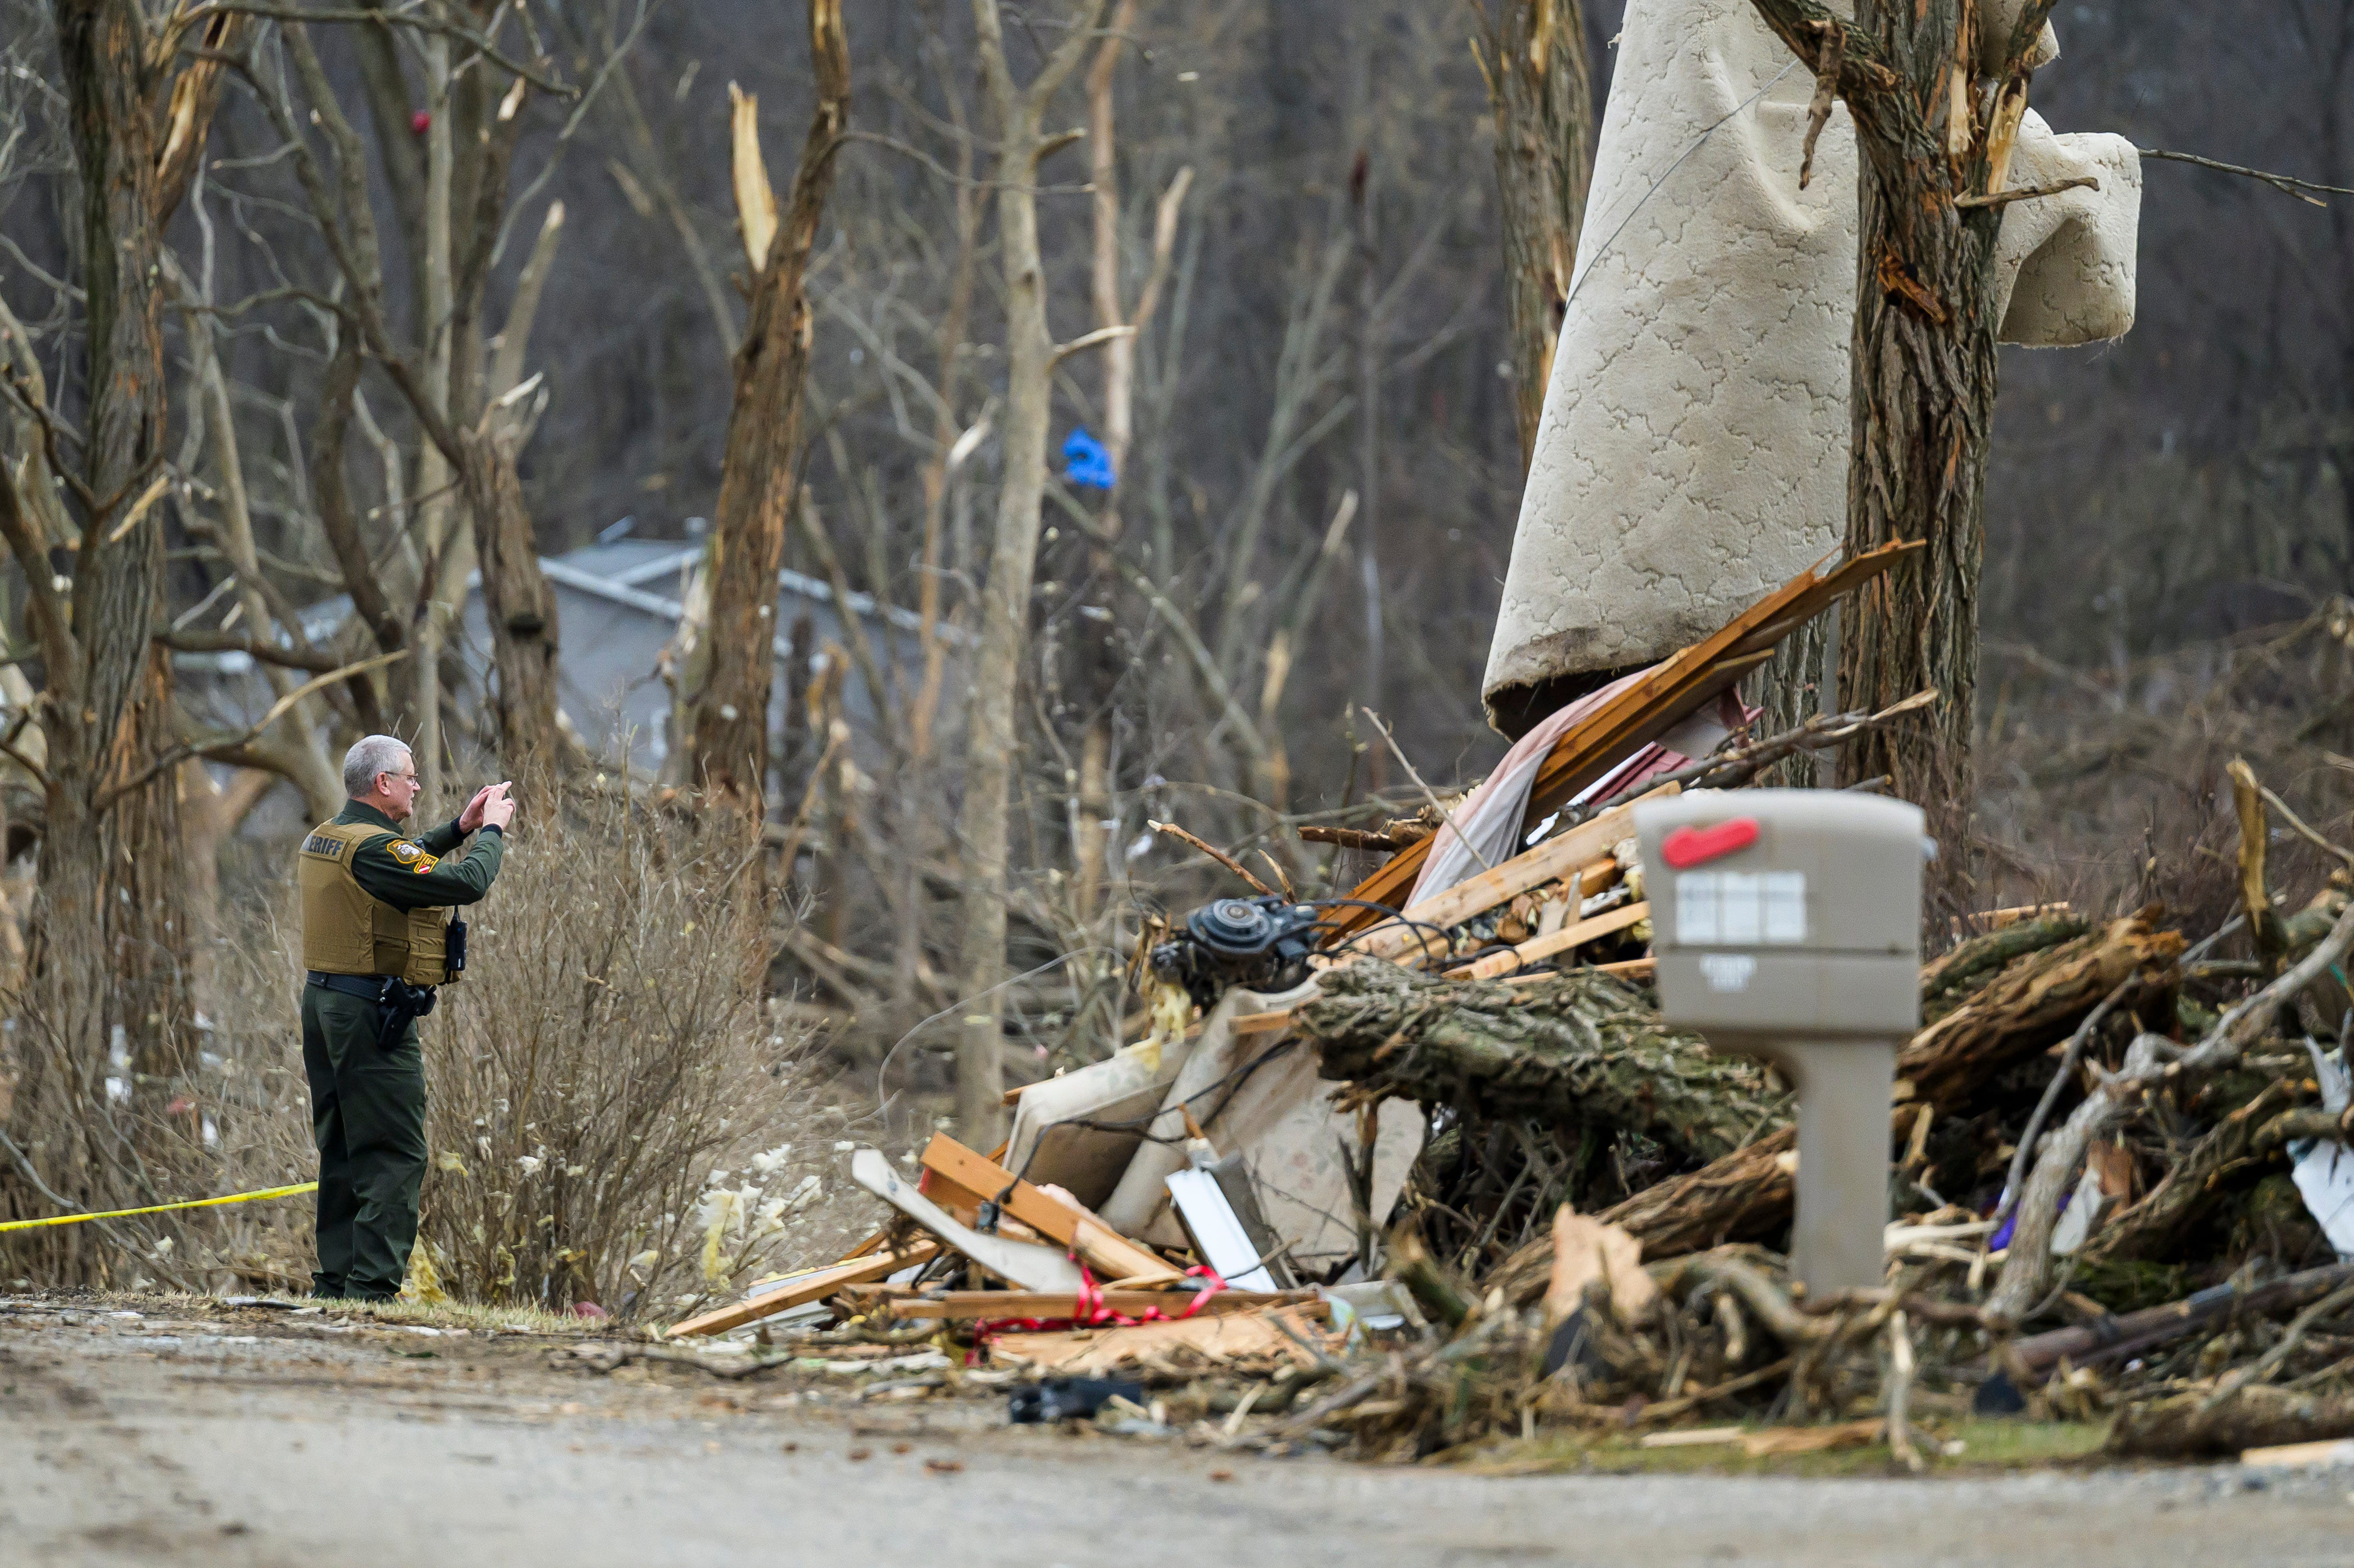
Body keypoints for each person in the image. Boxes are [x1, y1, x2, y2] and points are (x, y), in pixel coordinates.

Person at [298, 735, 515, 1300]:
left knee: (342, 1147)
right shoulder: (374, 849)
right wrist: (492, 832)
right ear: (383, 783)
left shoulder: (330, 837)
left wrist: (459, 828)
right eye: (410, 777)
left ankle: (336, 1284)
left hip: (324, 1004)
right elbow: (466, 883)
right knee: (395, 1151)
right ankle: (370, 1292)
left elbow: (404, 859)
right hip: (369, 1014)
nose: (417, 786)